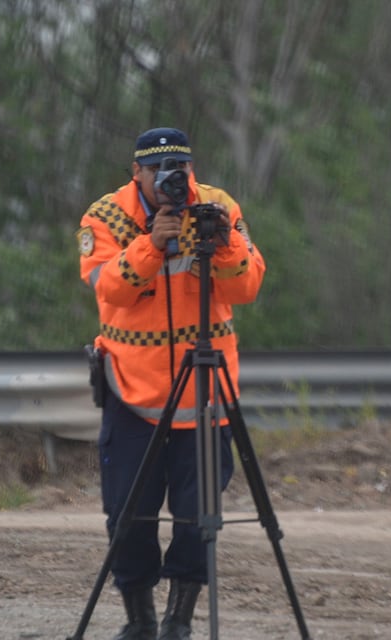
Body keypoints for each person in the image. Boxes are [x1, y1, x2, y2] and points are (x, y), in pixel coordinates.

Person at [77, 127, 266, 639]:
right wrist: (151, 245)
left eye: (178, 171)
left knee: (197, 516)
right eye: (158, 173)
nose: (170, 183)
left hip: (205, 395)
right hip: (131, 394)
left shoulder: (217, 206)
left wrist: (222, 243)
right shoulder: (107, 215)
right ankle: (138, 621)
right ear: (135, 172)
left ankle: (178, 620)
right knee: (127, 514)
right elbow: (106, 287)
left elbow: (248, 286)